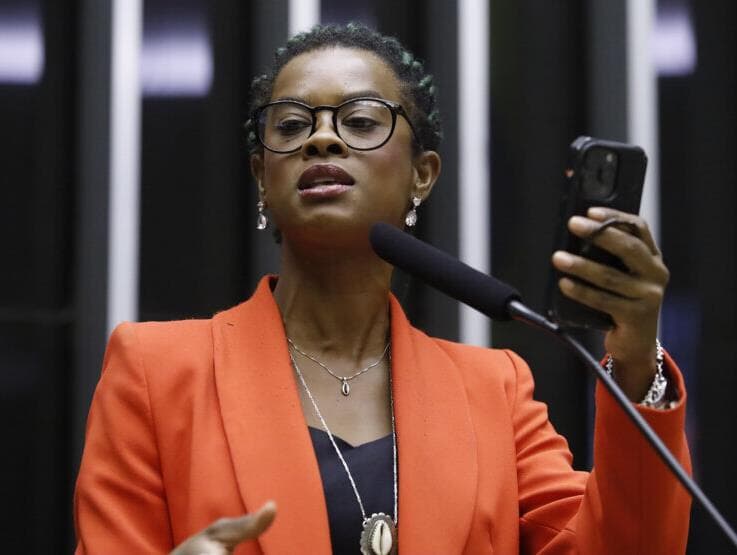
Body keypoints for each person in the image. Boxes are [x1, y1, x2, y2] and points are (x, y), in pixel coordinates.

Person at [74, 23, 691, 555]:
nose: (321, 138)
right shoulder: (155, 372)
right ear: (263, 177)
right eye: (291, 125)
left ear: (422, 175)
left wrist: (637, 358)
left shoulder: (495, 391)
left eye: (361, 121)